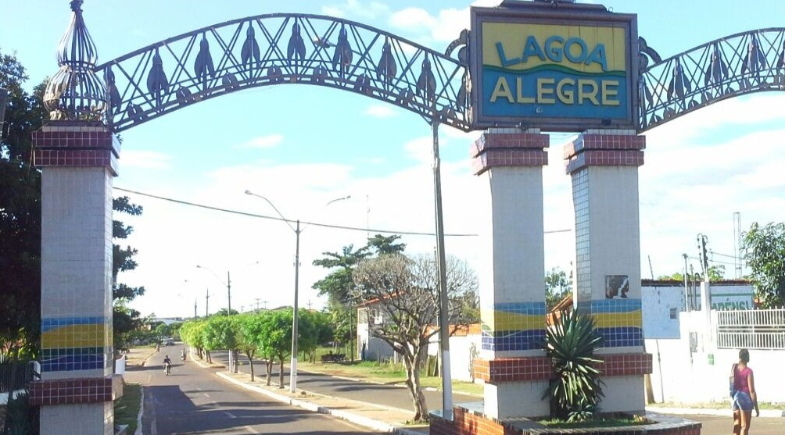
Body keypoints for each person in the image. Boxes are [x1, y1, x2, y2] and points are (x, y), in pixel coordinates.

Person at [731, 348, 759, 435]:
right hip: (745, 398)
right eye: (748, 356)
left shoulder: (734, 367)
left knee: (737, 425)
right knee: (744, 427)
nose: (749, 357)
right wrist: (756, 406)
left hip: (736, 396)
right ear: (745, 357)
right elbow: (752, 390)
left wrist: (732, 393)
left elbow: (731, 379)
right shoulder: (748, 371)